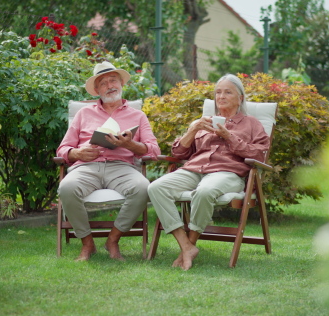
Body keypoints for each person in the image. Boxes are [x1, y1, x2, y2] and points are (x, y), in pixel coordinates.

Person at [147, 74, 270, 270]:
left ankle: (190, 243)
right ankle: (186, 246)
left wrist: (228, 136)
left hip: (227, 173)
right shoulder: (203, 122)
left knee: (204, 191)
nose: (221, 96)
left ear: (240, 98)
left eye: (228, 92)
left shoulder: (251, 123)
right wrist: (192, 130)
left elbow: (259, 155)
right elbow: (178, 153)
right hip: (194, 170)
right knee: (156, 188)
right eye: (218, 92)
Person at [57, 61, 160, 261]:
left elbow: (154, 150)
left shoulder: (138, 115)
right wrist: (78, 153)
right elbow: (62, 149)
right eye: (103, 83)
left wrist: (131, 145)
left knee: (142, 188)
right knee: (67, 188)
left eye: (113, 80)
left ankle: (112, 240)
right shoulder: (83, 113)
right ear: (96, 90)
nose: (110, 86)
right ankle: (88, 244)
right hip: (87, 166)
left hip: (121, 167)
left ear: (122, 83)